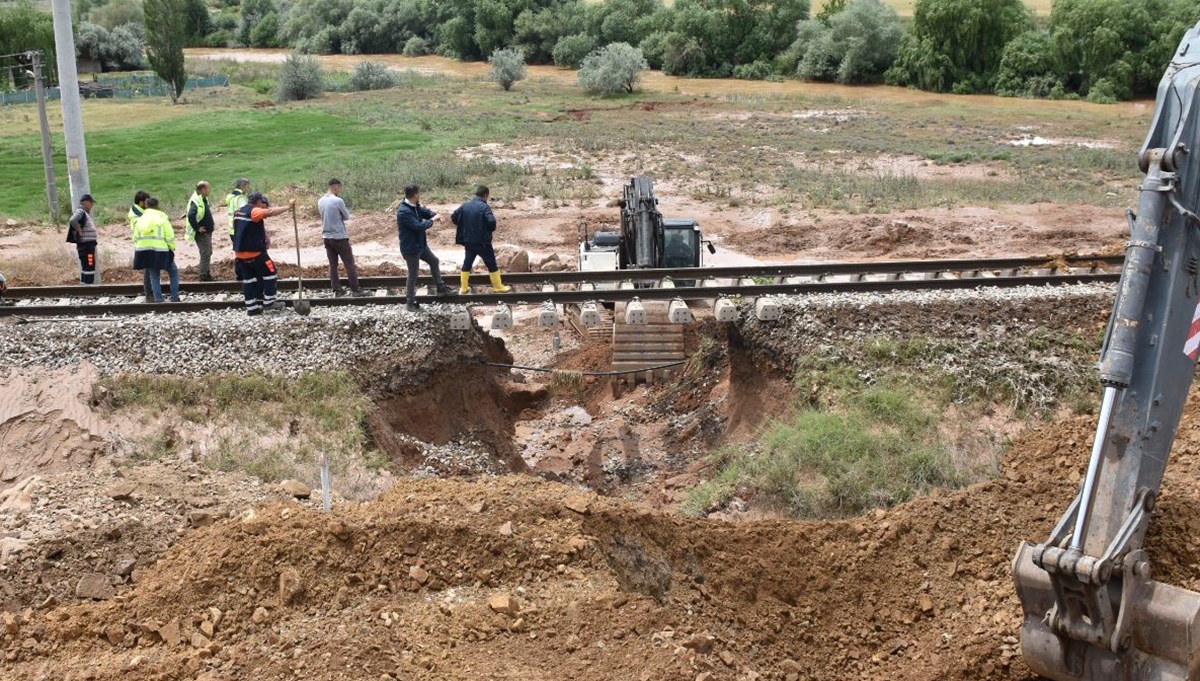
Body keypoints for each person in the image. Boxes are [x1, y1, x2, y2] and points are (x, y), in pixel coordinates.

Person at [232, 192, 294, 316]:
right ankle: (269, 303)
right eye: (262, 203)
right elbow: (270, 212)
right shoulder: (254, 211)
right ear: (258, 202)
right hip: (255, 253)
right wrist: (288, 207)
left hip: (240, 254)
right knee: (271, 273)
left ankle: (252, 308)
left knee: (248, 280)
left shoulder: (238, 212)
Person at [396, 184, 454, 311]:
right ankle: (410, 301)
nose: (420, 195)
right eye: (419, 193)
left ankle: (441, 288)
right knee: (413, 274)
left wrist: (436, 215)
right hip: (411, 249)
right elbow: (418, 226)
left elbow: (424, 212)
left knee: (434, 261)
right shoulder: (403, 212)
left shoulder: (413, 206)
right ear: (415, 195)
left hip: (420, 245)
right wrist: (433, 220)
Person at [451, 185, 512, 295]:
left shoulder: (465, 205)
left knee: (467, 262)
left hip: (468, 241)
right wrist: (488, 230)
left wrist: (463, 225)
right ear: (486, 195)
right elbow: (492, 222)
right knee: (491, 263)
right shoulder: (485, 207)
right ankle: (498, 286)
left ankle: (464, 287)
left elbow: (454, 216)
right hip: (482, 242)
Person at [318, 179, 366, 297]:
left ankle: (337, 290)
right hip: (339, 236)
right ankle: (355, 289)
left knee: (332, 265)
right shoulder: (338, 201)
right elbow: (346, 216)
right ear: (336, 187)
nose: (339, 190)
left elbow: (322, 215)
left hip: (326, 237)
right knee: (349, 263)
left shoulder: (320, 201)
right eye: (339, 188)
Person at [132, 197, 180, 302]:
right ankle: (174, 297)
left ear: (147, 206)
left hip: (144, 251)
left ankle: (158, 299)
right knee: (173, 272)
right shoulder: (162, 218)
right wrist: (171, 247)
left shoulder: (140, 219)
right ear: (157, 206)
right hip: (161, 251)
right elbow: (169, 235)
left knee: (154, 275)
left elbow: (135, 237)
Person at [128, 191, 153, 301]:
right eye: (146, 202)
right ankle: (149, 293)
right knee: (148, 269)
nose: (148, 204)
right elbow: (145, 228)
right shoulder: (137, 215)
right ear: (141, 202)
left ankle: (150, 292)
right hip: (144, 244)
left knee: (150, 269)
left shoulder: (141, 212)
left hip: (147, 243)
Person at [187, 181, 216, 281]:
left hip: (206, 232)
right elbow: (191, 215)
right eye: (208, 188)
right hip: (202, 233)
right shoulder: (196, 201)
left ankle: (205, 273)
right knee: (205, 253)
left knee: (208, 252)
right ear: (203, 189)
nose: (209, 190)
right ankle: (204, 276)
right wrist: (197, 228)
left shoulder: (202, 199)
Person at [67, 194, 98, 284]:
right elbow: (73, 220)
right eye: (91, 203)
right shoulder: (81, 211)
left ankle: (85, 286)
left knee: (87, 265)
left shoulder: (84, 213)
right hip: (86, 246)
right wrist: (79, 230)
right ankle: (88, 287)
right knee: (89, 265)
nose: (92, 205)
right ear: (86, 202)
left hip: (87, 246)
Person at [225, 178, 250, 243]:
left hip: (232, 229)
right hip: (240, 229)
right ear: (242, 186)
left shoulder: (232, 197)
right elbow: (245, 213)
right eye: (247, 186)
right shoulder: (240, 198)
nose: (248, 188)